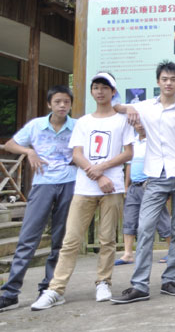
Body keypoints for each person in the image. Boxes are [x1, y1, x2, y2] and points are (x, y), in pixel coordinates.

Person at [31, 74, 134, 310]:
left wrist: (102, 169)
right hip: (85, 187)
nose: (100, 92)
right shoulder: (84, 122)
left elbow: (128, 152)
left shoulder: (121, 120)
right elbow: (76, 154)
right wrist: (96, 173)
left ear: (113, 92)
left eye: (105, 88)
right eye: (96, 87)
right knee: (71, 240)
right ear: (91, 92)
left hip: (112, 187)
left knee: (107, 239)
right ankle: (56, 289)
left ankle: (103, 282)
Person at [110, 61, 175, 304]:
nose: (168, 83)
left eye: (173, 79)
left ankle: (170, 280)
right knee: (145, 228)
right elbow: (116, 105)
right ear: (158, 81)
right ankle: (139, 285)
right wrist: (129, 108)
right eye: (164, 79)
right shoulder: (145, 107)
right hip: (155, 177)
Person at [0, 86, 76, 312]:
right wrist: (29, 151)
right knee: (28, 237)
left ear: (70, 104)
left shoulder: (77, 126)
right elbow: (11, 144)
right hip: (42, 184)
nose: (62, 105)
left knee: (60, 239)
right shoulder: (36, 125)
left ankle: (49, 289)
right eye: (58, 101)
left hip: (70, 183)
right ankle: (10, 292)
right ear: (49, 104)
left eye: (66, 102)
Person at [116, 123, 171, 266]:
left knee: (161, 218)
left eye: (142, 122)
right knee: (129, 218)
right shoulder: (132, 142)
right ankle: (128, 254)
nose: (140, 126)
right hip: (134, 186)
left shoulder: (155, 141)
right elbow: (129, 165)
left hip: (151, 185)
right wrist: (126, 186)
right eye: (137, 123)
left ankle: (173, 251)